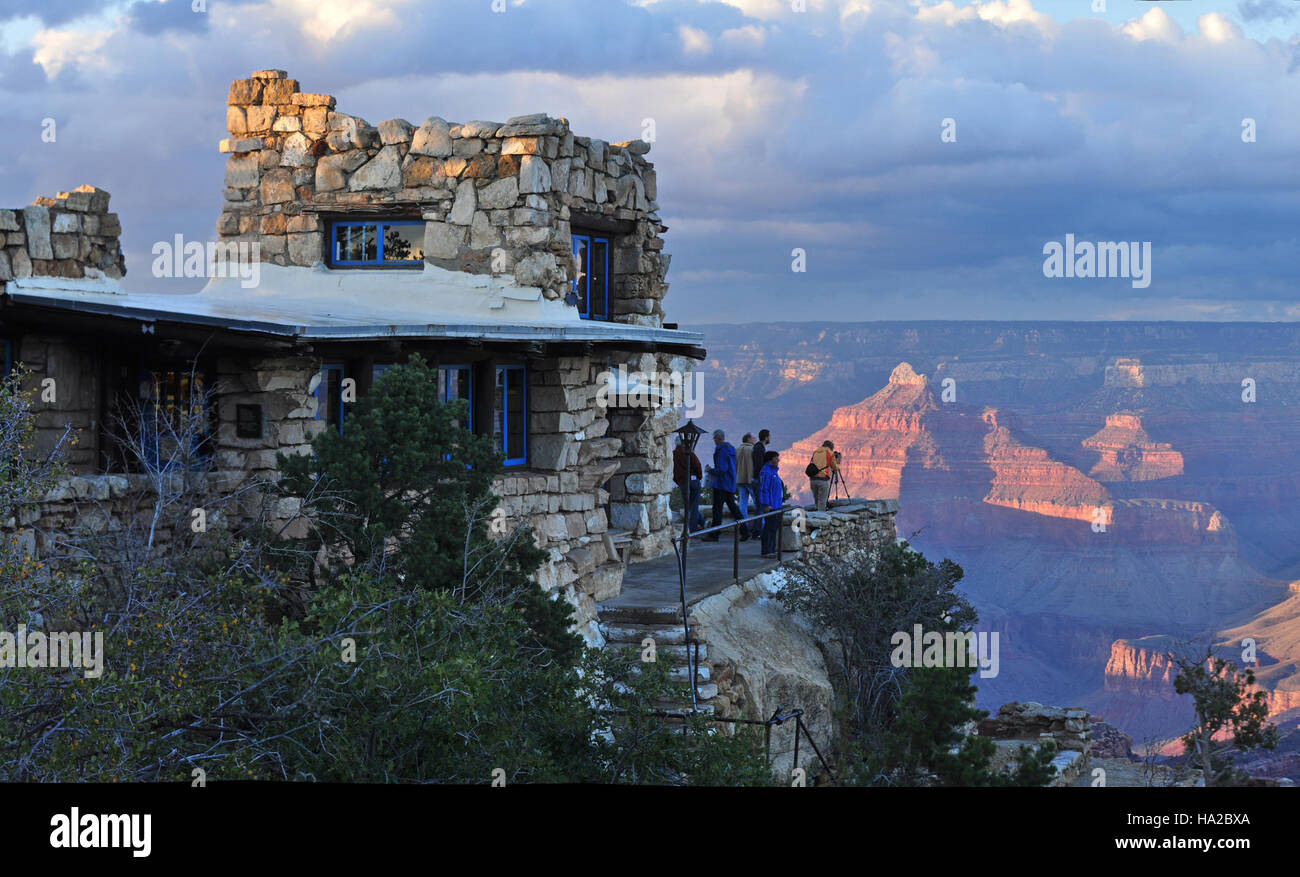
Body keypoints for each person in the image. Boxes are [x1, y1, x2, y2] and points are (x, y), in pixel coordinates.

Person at [701, 429, 747, 541]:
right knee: (733, 508)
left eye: (714, 439)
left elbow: (722, 469)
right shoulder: (730, 449)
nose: (714, 441)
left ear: (717, 438)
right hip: (730, 483)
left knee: (717, 509)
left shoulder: (721, 451)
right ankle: (745, 531)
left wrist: (710, 470)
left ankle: (714, 534)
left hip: (721, 484)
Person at [672, 436, 705, 532]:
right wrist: (699, 477)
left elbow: (672, 471)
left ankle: (702, 522)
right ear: (683, 443)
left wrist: (678, 481)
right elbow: (697, 465)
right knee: (694, 505)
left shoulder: (673, 454)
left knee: (689, 506)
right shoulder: (688, 452)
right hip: (693, 481)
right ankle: (693, 527)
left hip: (683, 483)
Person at [757, 450, 784, 557]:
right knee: (769, 528)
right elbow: (764, 489)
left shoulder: (773, 472)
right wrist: (766, 504)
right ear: (770, 459)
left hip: (776, 504)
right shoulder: (766, 472)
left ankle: (772, 549)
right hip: (771, 505)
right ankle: (766, 550)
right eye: (776, 458)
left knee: (774, 528)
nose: (778, 460)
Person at [807, 439, 840, 512]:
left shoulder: (815, 452)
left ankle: (817, 516)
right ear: (831, 447)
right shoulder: (829, 453)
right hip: (823, 480)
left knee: (817, 501)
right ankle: (821, 519)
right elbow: (835, 467)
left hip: (812, 480)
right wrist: (838, 461)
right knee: (822, 502)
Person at [749, 429, 769, 537]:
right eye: (769, 436)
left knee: (759, 506)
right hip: (758, 481)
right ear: (765, 437)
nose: (770, 438)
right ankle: (757, 531)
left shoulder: (758, 448)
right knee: (760, 506)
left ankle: (758, 530)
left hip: (757, 480)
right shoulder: (759, 449)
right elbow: (759, 466)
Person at [736, 433, 756, 526]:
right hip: (750, 480)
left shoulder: (737, 450)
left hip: (740, 479)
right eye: (753, 438)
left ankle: (744, 525)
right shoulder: (753, 449)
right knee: (757, 502)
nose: (755, 439)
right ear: (748, 439)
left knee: (742, 503)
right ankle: (760, 524)